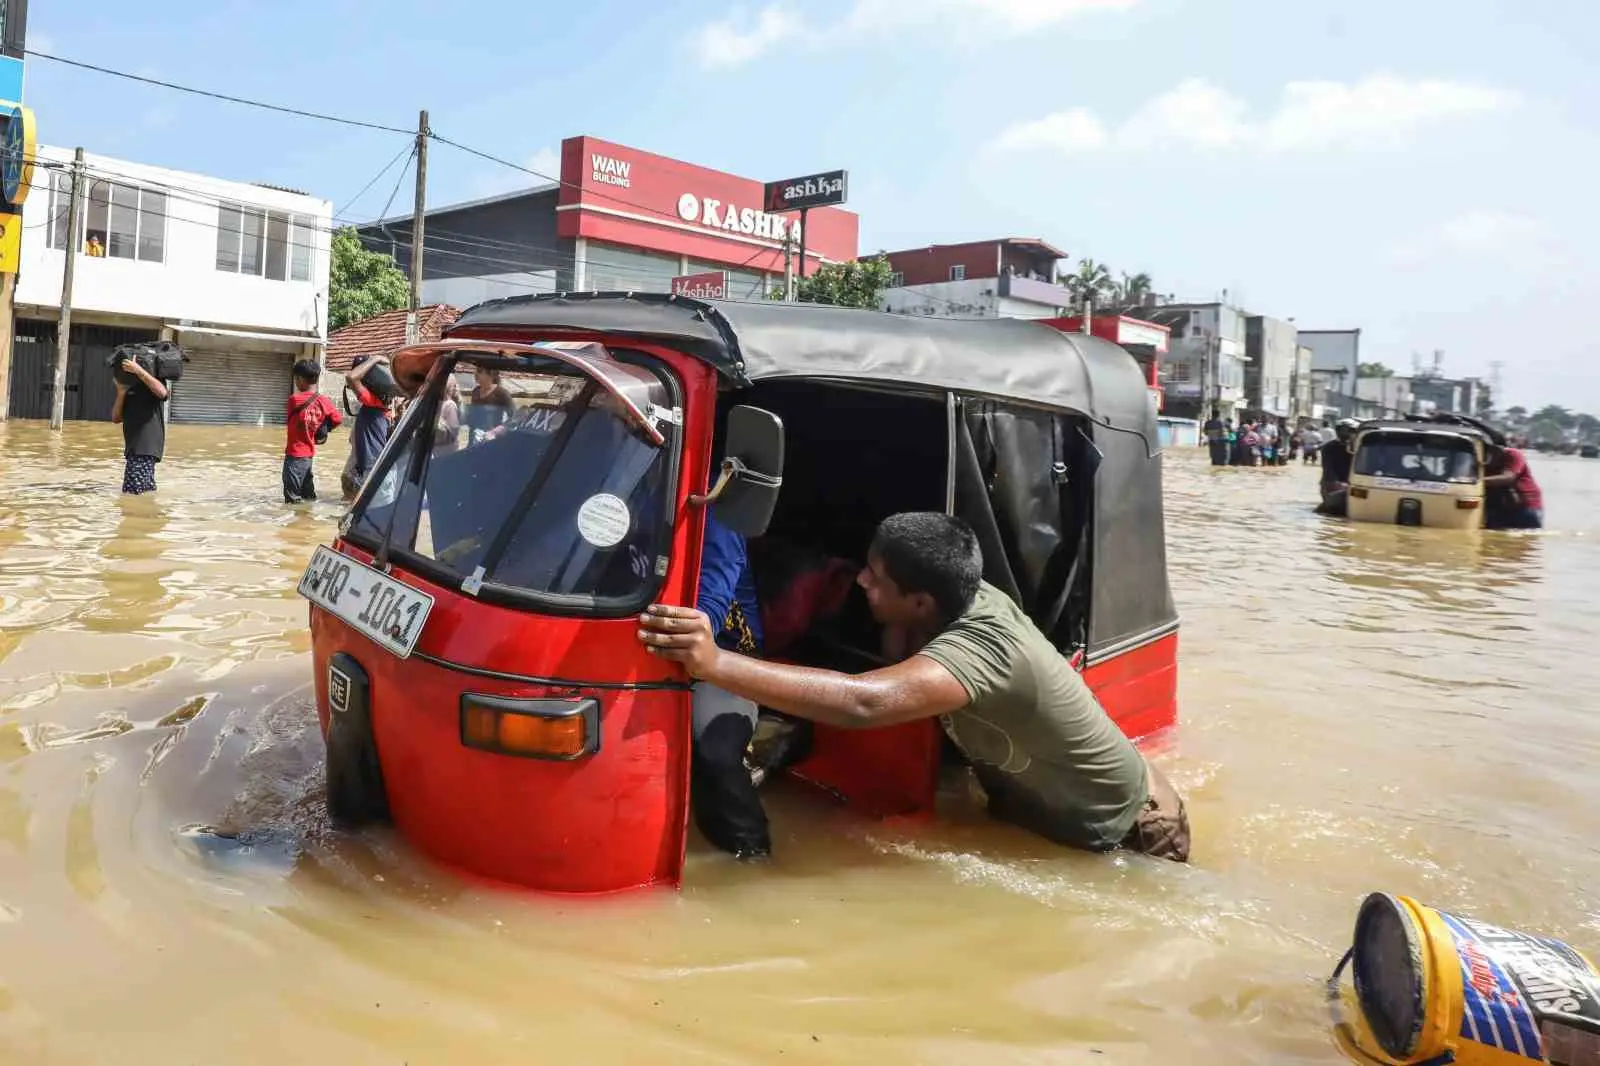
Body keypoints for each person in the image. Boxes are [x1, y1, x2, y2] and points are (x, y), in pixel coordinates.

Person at [637, 512, 1191, 863]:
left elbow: (865, 701)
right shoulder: (955, 600)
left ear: (923, 601)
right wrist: (895, 616)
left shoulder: (982, 647)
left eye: (875, 580)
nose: (859, 581)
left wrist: (710, 661)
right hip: (1048, 811)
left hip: (1133, 832)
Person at [690, 511, 772, 860]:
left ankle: (753, 856)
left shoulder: (719, 511)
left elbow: (708, 610)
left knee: (716, 752)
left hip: (725, 654)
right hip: (644, 642)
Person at [283, 360, 342, 503]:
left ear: (300, 379)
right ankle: (309, 522)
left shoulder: (294, 400)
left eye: (296, 378)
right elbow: (337, 419)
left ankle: (295, 525)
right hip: (308, 456)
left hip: (294, 456)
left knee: (292, 500)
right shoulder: (324, 401)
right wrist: (322, 429)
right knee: (308, 497)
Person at [111, 356, 169, 495]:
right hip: (134, 450)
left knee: (131, 495)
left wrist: (140, 371)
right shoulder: (129, 387)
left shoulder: (153, 383)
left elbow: (163, 393)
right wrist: (121, 392)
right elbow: (116, 418)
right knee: (144, 493)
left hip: (144, 449)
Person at [341, 355, 394, 498]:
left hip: (365, 475)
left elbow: (351, 378)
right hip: (369, 474)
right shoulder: (385, 407)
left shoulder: (373, 403)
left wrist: (375, 359)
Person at [1484, 444, 1544, 529]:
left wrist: (1478, 480)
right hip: (1500, 508)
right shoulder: (1482, 462)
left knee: (1527, 538)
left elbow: (1508, 477)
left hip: (1526, 506)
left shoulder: (1513, 454)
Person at [1317, 419, 1357, 515]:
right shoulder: (1328, 447)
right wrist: (1336, 482)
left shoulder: (1358, 447)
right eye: (1343, 430)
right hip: (1331, 483)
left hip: (1352, 483)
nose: (1346, 433)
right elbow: (1327, 467)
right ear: (1337, 431)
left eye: (1349, 431)